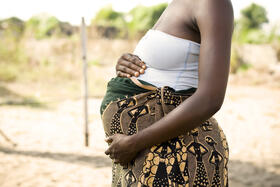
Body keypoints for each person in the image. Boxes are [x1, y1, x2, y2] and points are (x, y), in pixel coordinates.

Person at [100, 0, 234, 186]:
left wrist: (134, 143)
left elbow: (210, 98)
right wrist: (126, 65)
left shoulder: (213, 3)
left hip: (176, 152)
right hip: (149, 151)